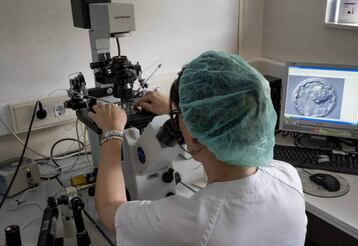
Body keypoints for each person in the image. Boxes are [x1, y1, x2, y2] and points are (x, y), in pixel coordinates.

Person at [88, 51, 307, 245]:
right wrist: (180, 113)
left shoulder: (191, 223)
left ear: (194, 137)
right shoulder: (287, 176)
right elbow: (226, 127)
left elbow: (109, 212)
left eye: (181, 117)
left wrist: (112, 133)